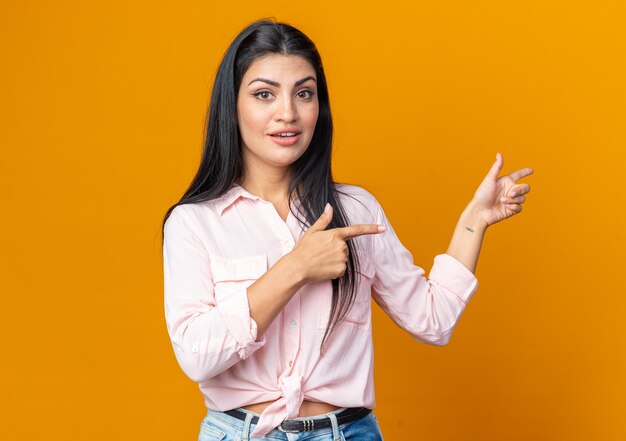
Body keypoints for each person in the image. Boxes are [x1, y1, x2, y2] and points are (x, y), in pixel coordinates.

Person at [161, 19, 533, 441]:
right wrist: (295, 268)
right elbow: (196, 355)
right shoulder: (195, 223)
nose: (288, 112)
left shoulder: (355, 209)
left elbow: (433, 320)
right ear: (232, 107)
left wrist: (474, 221)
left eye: (304, 93)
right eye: (264, 94)